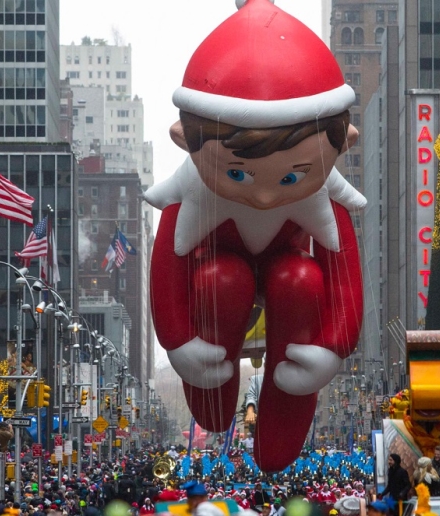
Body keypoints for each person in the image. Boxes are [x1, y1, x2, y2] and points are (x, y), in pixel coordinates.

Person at [146, 0, 365, 473]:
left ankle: (286, 405)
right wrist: (184, 344)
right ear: (186, 139)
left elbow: (344, 289)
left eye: (289, 178)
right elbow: (167, 273)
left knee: (300, 279)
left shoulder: (323, 199)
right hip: (219, 279)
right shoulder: (191, 191)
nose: (265, 196)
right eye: (241, 175)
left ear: (342, 142)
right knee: (223, 278)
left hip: (287, 278)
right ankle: (213, 385)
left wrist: (328, 346)